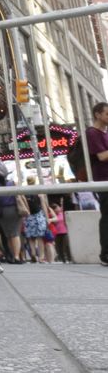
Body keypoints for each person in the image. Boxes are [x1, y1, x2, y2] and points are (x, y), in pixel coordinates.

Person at [87, 102, 108, 266]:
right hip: (103, 181)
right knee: (107, 217)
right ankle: (105, 254)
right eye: (107, 114)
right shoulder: (93, 133)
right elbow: (101, 156)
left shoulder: (104, 133)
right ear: (97, 115)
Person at [0, 179, 25, 264]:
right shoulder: (12, 183)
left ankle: (12, 256)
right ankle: (16, 256)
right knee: (15, 234)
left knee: (8, 235)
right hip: (13, 208)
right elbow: (20, 196)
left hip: (0, 211)